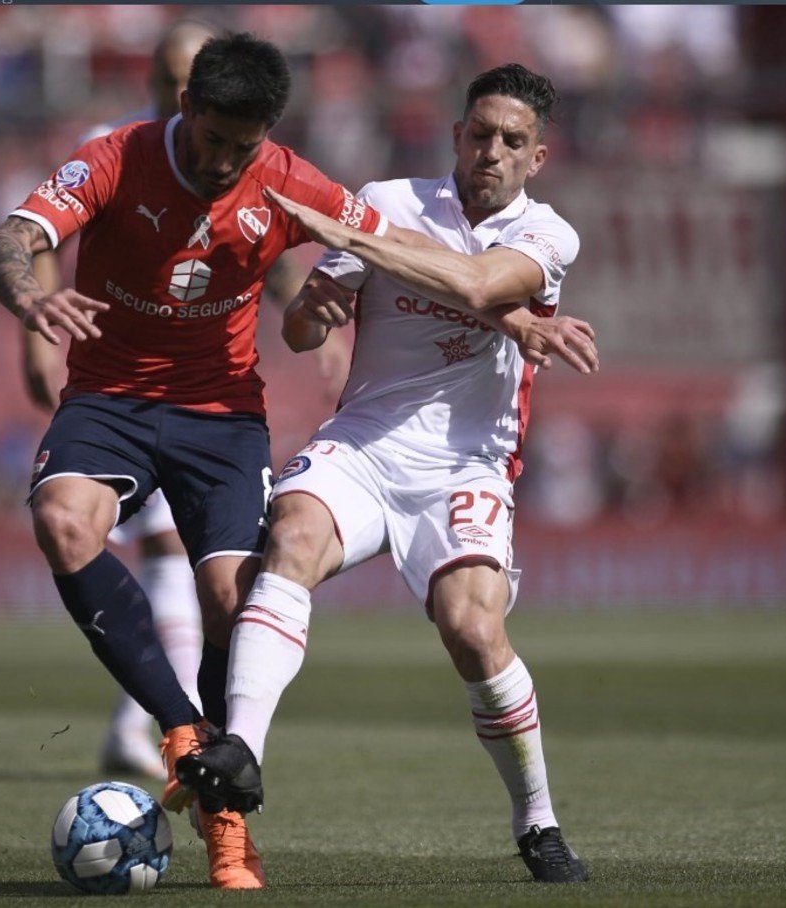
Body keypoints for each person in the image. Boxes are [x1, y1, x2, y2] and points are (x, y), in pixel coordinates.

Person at [0, 32, 393, 890]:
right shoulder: (115, 158)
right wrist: (32, 300)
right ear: (185, 107)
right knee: (63, 520)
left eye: (244, 147)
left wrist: (494, 309)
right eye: (212, 140)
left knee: (233, 601)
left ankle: (226, 825)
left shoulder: (287, 177)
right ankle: (182, 730)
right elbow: (7, 242)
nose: (224, 162)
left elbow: (393, 244)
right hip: (109, 400)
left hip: (222, 416)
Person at [175, 63, 598, 884]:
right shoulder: (390, 200)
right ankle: (241, 751)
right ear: (457, 136)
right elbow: (302, 331)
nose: (493, 152)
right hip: (365, 443)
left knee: (472, 630)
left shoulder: (548, 235)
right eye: (481, 134)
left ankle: (537, 821)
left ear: (537, 158)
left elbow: (480, 281)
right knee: (292, 537)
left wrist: (355, 237)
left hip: (467, 462)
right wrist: (314, 311)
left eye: (513, 141)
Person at [22, 19, 217, 784]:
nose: (180, 92)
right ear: (153, 79)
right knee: (155, 548)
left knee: (173, 550)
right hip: (119, 383)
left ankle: (147, 725)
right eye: (170, 77)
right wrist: (36, 339)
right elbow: (40, 237)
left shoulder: (233, 150)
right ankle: (159, 725)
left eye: (193, 79)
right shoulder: (111, 146)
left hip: (194, 380)